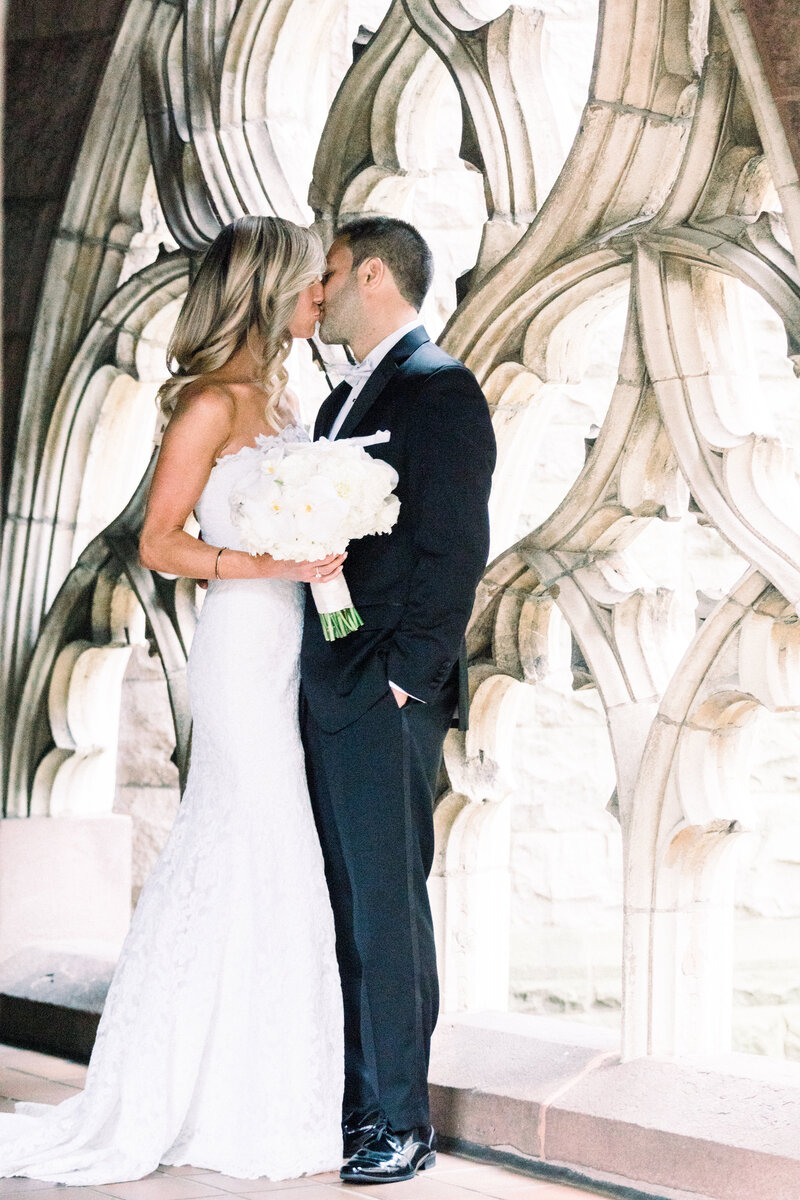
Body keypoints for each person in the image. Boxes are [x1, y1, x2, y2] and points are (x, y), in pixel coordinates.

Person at [0, 215, 348, 1184]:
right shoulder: (210, 404)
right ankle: (198, 1096)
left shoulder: (284, 398)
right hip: (242, 639)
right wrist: (266, 561)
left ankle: (269, 1082)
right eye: (310, 280)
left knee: (280, 844)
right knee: (247, 831)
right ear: (271, 290)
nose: (322, 293)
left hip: (291, 630)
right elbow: (159, 543)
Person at [301, 216, 496, 1184]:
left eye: (330, 272)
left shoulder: (438, 391)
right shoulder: (342, 399)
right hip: (336, 674)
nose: (320, 289)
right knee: (347, 907)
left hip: (386, 694)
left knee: (387, 910)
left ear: (371, 274)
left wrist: (402, 678)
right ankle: (357, 1107)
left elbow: (454, 549)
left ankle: (402, 1123)